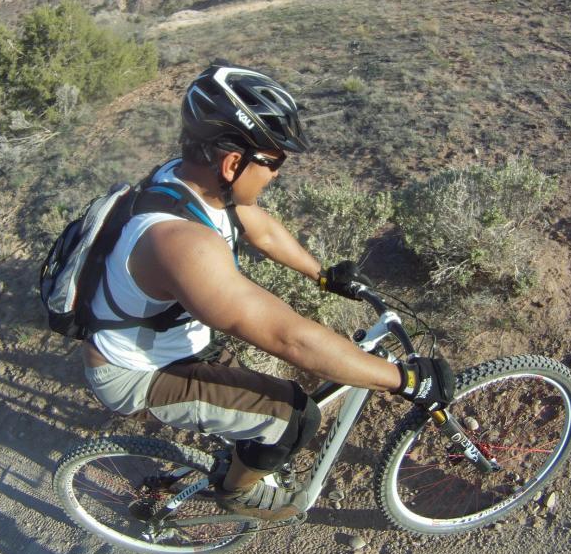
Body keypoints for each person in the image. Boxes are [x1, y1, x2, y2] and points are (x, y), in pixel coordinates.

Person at [81, 62, 454, 521]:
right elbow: (289, 338)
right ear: (233, 162)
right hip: (137, 372)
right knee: (295, 417)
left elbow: (257, 226)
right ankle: (237, 494)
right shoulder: (182, 245)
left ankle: (237, 452)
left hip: (169, 344)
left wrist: (322, 275)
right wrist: (403, 380)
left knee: (258, 396)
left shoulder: (186, 181)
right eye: (274, 162)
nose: (277, 173)